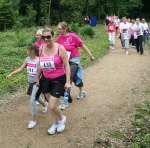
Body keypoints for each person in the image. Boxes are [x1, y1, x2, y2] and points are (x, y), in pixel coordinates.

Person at [38, 27, 71, 135]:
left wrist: (68, 81)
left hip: (58, 79)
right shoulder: (41, 48)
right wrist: (37, 78)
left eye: (48, 37)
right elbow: (40, 64)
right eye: (44, 37)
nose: (46, 39)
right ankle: (55, 123)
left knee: (52, 105)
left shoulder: (60, 48)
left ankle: (61, 119)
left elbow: (66, 65)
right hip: (46, 80)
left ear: (53, 36)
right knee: (50, 105)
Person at [6, 45, 48, 129]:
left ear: (32, 51)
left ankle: (33, 120)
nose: (26, 51)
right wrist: (12, 74)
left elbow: (43, 72)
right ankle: (44, 104)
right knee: (35, 98)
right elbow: (21, 68)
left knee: (32, 100)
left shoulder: (39, 60)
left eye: (27, 50)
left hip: (37, 83)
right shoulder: (27, 59)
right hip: (30, 82)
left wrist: (38, 81)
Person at [57, 22, 95, 101]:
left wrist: (91, 55)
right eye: (58, 29)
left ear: (65, 28)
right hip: (65, 60)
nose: (58, 30)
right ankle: (81, 91)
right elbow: (57, 49)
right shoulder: (59, 38)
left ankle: (66, 98)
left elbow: (83, 46)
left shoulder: (73, 36)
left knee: (69, 76)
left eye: (60, 29)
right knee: (76, 78)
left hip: (74, 60)